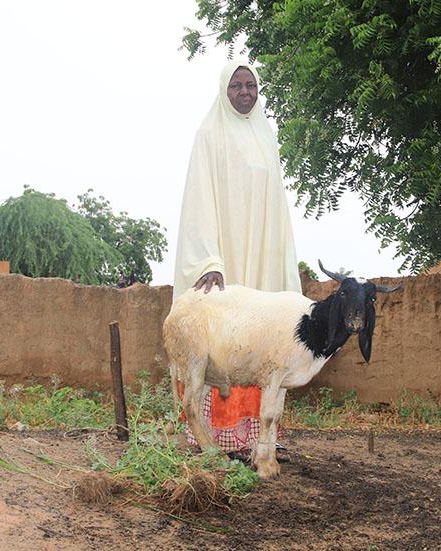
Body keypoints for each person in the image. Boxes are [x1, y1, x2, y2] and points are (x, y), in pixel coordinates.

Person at [172, 61, 301, 456]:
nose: (244, 92)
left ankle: (256, 438)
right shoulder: (209, 135)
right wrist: (209, 259)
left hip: (260, 258)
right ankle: (212, 438)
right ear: (223, 91)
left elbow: (277, 209)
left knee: (261, 344)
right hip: (224, 259)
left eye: (250, 85)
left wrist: (282, 264)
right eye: (236, 86)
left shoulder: (266, 137)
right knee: (220, 340)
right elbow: (198, 200)